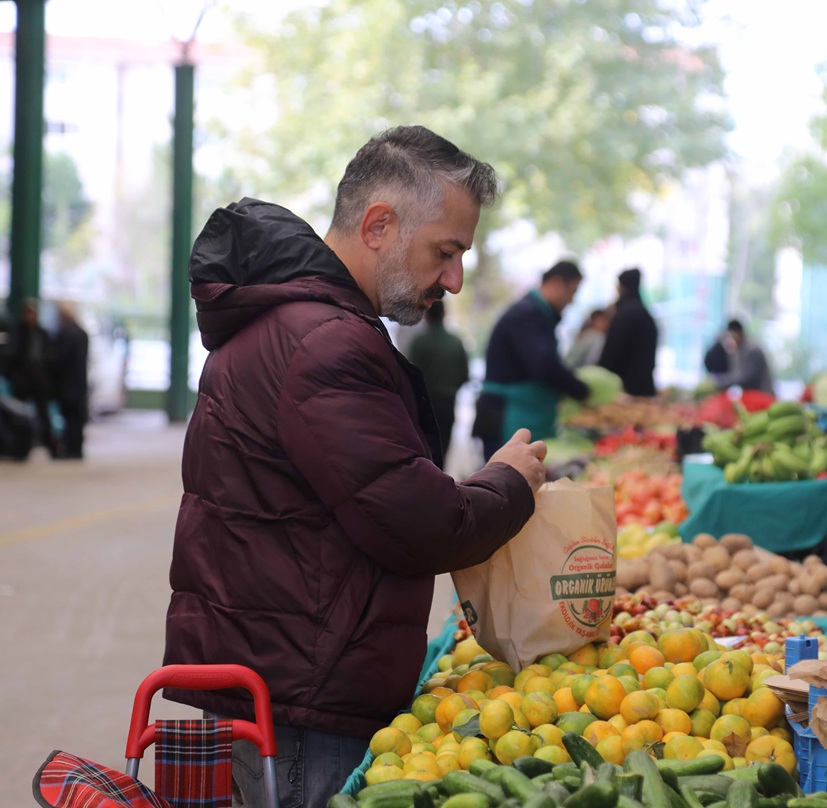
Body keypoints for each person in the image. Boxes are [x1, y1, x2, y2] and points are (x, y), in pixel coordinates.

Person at [162, 126, 547, 808]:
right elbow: (419, 523)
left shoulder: (299, 325)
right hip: (308, 700)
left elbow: (371, 491)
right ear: (378, 226)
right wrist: (509, 481)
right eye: (445, 252)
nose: (454, 280)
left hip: (287, 676)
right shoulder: (324, 343)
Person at [474, 261, 591, 458]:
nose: (572, 301)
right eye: (572, 292)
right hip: (507, 415)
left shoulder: (537, 313)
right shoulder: (527, 314)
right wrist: (582, 391)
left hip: (517, 413)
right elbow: (545, 365)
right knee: (505, 473)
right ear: (557, 283)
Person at [406, 299, 470, 466]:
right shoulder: (455, 342)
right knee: (442, 451)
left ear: (426, 314)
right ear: (444, 313)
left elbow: (409, 374)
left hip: (423, 405)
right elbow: (464, 375)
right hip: (448, 403)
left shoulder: (419, 342)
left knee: (425, 453)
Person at [8, 301, 60, 457]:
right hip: (22, 381)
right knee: (18, 415)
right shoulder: (18, 332)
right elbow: (12, 356)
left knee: (43, 415)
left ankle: (52, 448)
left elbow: (49, 356)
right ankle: (18, 448)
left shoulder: (42, 333)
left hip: (39, 381)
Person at [598, 268, 658, 396]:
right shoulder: (643, 312)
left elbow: (612, 351)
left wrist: (601, 375)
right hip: (643, 385)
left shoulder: (625, 313)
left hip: (625, 388)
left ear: (622, 287)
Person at [53, 302, 89, 459]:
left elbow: (60, 359)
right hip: (80, 382)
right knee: (77, 418)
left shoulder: (65, 334)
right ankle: (77, 448)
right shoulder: (82, 333)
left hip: (67, 383)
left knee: (70, 418)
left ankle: (70, 448)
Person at [712, 320, 773, 393]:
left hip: (762, 393)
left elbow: (748, 377)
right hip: (750, 393)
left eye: (732, 336)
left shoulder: (752, 349)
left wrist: (723, 382)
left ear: (739, 333)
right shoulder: (738, 350)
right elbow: (735, 373)